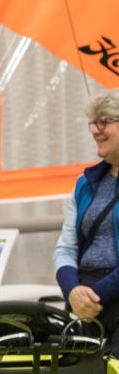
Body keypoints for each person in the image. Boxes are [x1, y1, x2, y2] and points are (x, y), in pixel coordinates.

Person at [54, 91, 119, 340]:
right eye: (93, 122)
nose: (95, 130)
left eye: (104, 121)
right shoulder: (85, 183)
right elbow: (65, 249)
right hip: (85, 304)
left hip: (98, 298)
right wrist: (72, 291)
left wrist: (92, 296)